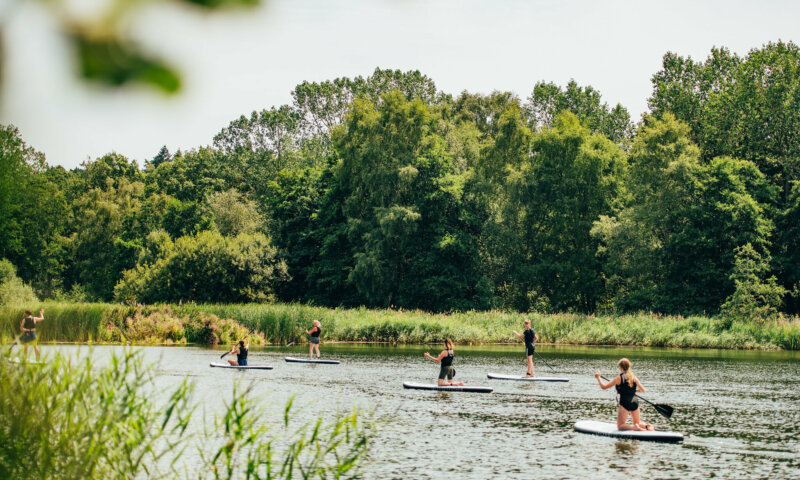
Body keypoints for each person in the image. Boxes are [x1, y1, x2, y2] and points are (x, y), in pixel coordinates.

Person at [594, 358, 654, 431]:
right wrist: (631, 391)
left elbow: (604, 387)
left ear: (621, 368)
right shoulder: (633, 377)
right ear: (629, 367)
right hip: (635, 400)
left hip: (625, 401)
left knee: (620, 426)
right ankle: (647, 426)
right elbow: (643, 390)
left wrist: (598, 377)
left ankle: (634, 427)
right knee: (637, 422)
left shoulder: (619, 378)